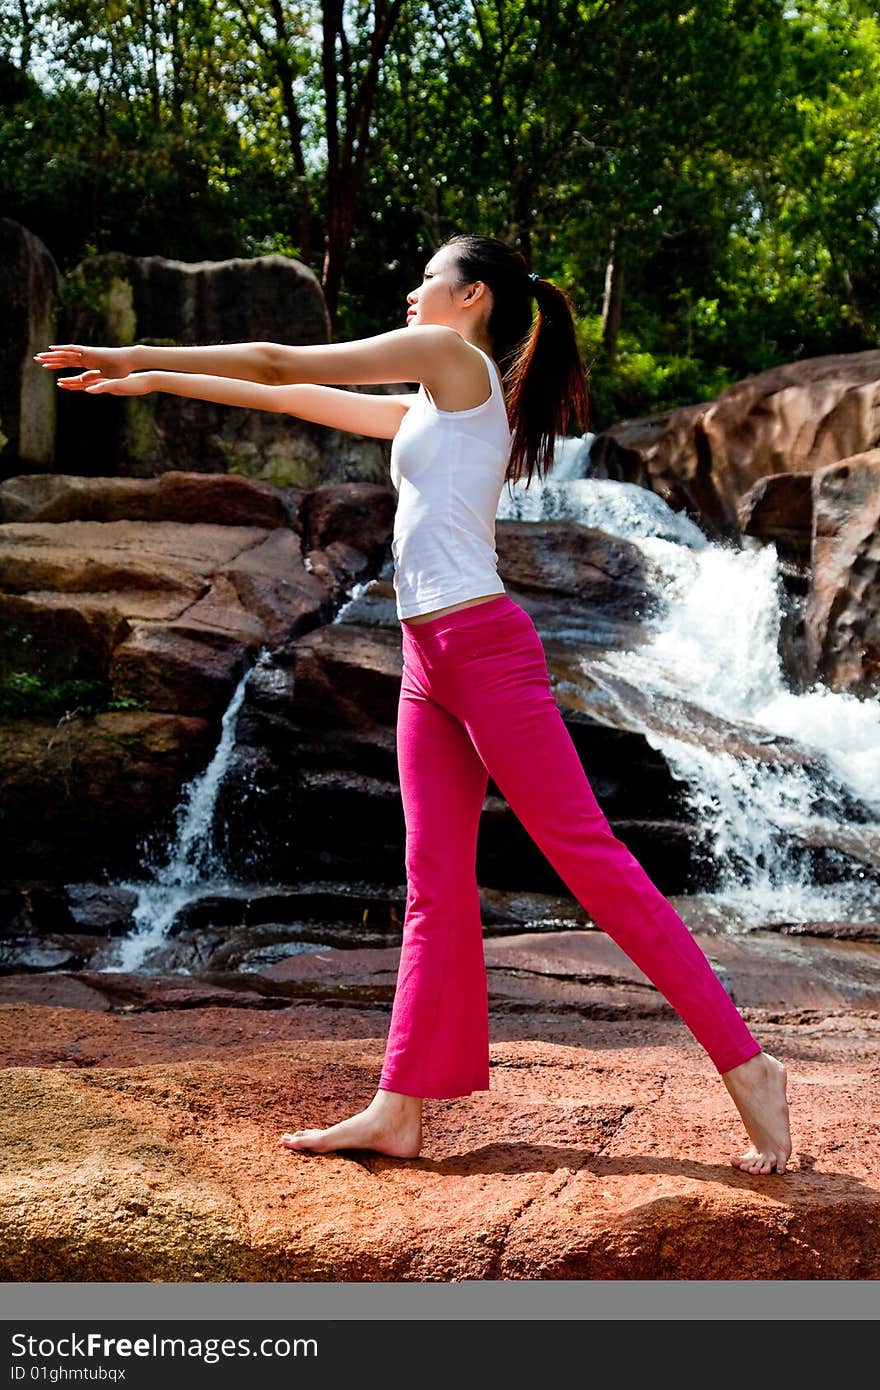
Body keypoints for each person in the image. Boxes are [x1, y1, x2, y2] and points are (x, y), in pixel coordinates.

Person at [35, 233, 792, 1176]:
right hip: (427, 654)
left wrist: (133, 352)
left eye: (425, 276)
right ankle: (400, 1107)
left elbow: (280, 356)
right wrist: (155, 385)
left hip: (483, 648)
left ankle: (748, 1064)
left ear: (470, 297)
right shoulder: (438, 408)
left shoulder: (453, 359)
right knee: (433, 885)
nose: (410, 289)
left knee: (591, 860)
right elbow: (286, 393)